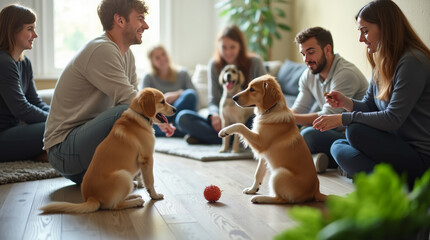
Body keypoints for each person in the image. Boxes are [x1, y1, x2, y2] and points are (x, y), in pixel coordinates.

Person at [44, 0, 175, 184]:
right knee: (126, 112)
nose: (145, 25)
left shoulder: (127, 55)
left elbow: (134, 97)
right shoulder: (102, 49)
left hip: (86, 155)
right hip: (65, 152)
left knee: (131, 113)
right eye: (140, 19)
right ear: (120, 21)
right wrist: (157, 117)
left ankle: (123, 174)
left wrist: (157, 118)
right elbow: (132, 101)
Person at [313, 0, 430, 187]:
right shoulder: (382, 63)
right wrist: (346, 103)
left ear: (386, 28)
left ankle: (387, 181)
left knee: (354, 131)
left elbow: (392, 119)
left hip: (420, 157)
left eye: (365, 31)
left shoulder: (412, 62)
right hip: (395, 145)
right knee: (338, 147)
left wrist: (344, 118)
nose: (361, 39)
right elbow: (369, 106)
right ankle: (390, 182)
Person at [292, 27, 368, 173]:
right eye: (303, 54)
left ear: (327, 49)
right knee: (294, 134)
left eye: (311, 52)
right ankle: (319, 160)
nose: (306, 59)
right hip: (329, 131)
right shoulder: (308, 74)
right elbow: (299, 108)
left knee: (308, 135)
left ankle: (323, 160)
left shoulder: (345, 73)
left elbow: (327, 116)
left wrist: (289, 118)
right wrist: (281, 120)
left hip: (351, 134)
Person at [175, 24, 266, 144]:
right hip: (224, 119)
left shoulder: (255, 62)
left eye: (232, 47)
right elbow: (214, 99)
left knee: (258, 123)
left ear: (240, 47)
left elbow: (265, 93)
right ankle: (235, 140)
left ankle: (215, 139)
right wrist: (214, 115)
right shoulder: (214, 65)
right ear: (219, 47)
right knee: (183, 118)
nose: (228, 52)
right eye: (224, 47)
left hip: (248, 118)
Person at [0, 4, 50, 162]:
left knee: (62, 126)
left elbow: (35, 101)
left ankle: (42, 153)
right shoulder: (3, 62)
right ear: (12, 31)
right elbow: (22, 109)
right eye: (29, 29)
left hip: (14, 130)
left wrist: (60, 116)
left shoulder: (24, 62)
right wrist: (58, 122)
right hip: (3, 135)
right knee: (56, 129)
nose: (35, 35)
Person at [142, 44, 197, 137]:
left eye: (163, 54)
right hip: (160, 117)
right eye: (157, 57)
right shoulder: (148, 78)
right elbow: (143, 104)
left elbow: (194, 95)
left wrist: (177, 94)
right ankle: (179, 130)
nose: (162, 58)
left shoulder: (183, 73)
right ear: (152, 62)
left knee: (190, 95)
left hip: (179, 112)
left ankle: (173, 129)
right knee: (146, 124)